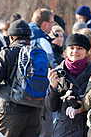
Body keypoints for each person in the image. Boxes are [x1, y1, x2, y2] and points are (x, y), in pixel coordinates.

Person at [0, 19, 42, 137]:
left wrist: (1, 90)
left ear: (11, 37)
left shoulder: (7, 53)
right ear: (29, 36)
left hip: (10, 110)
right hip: (35, 109)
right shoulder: (38, 53)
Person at [45, 33, 91, 137]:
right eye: (72, 48)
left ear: (87, 52)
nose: (75, 51)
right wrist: (52, 88)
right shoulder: (58, 72)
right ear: (66, 50)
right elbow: (51, 108)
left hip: (88, 130)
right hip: (64, 130)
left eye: (80, 48)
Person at [29, 8, 58, 137]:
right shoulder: (42, 40)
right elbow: (52, 64)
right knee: (46, 126)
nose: (53, 25)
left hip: (28, 87)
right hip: (43, 87)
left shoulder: (27, 34)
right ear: (44, 24)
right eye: (52, 22)